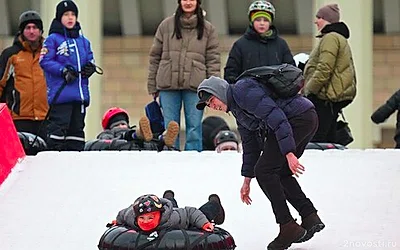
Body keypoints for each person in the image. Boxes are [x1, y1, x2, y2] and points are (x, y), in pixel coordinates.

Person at [196, 76, 325, 250]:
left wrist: (288, 152)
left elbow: (277, 117)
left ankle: (287, 225)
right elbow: (250, 146)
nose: (213, 106)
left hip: (296, 119)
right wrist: (247, 179)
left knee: (265, 171)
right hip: (305, 118)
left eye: (212, 100)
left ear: (220, 91)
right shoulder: (238, 110)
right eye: (209, 105)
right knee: (278, 172)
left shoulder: (243, 91)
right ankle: (309, 215)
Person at [147, 0, 220, 151]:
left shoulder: (208, 29)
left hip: (196, 86)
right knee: (170, 127)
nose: (188, 2)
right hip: (167, 85)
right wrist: (152, 85)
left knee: (194, 127)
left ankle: (193, 162)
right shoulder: (166, 25)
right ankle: (170, 157)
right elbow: (155, 57)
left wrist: (214, 89)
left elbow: (213, 60)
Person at [40, 0, 98, 151]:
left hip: (80, 96)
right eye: (66, 14)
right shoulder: (52, 39)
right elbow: (45, 60)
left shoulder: (84, 42)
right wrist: (63, 70)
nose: (70, 18)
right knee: (59, 128)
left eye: (73, 14)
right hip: (61, 95)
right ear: (59, 18)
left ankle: (75, 159)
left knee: (77, 130)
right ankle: (54, 157)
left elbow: (90, 58)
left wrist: (89, 68)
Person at [303, 3, 356, 144]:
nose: (316, 21)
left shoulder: (330, 38)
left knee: (317, 140)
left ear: (327, 20)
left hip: (324, 98)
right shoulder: (337, 38)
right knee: (329, 140)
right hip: (331, 98)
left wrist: (309, 91)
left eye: (319, 17)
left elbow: (324, 68)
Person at [0, 10, 48, 140]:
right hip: (19, 118)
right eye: (28, 28)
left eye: (35, 27)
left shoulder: (48, 54)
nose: (32, 31)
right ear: (22, 31)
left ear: (40, 31)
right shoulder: (10, 55)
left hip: (45, 118)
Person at [224, 1, 294, 84]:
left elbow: (291, 70)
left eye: (266, 20)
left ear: (270, 23)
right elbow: (231, 73)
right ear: (252, 22)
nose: (262, 23)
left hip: (276, 94)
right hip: (248, 93)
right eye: (258, 20)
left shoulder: (281, 44)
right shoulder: (240, 45)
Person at [114, 191, 225, 233]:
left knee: (203, 213)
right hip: (167, 211)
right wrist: (117, 222)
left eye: (150, 218)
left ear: (158, 216)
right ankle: (168, 196)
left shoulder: (173, 218)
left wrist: (204, 223)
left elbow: (191, 212)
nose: (145, 222)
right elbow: (122, 214)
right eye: (142, 218)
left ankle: (214, 202)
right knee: (170, 204)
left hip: (184, 220)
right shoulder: (131, 216)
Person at [97, 107, 180, 149]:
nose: (121, 127)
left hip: (138, 144)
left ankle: (163, 138)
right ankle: (138, 134)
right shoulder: (108, 134)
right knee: (133, 136)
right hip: (124, 140)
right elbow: (105, 142)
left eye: (123, 124)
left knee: (151, 139)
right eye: (117, 125)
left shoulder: (131, 129)